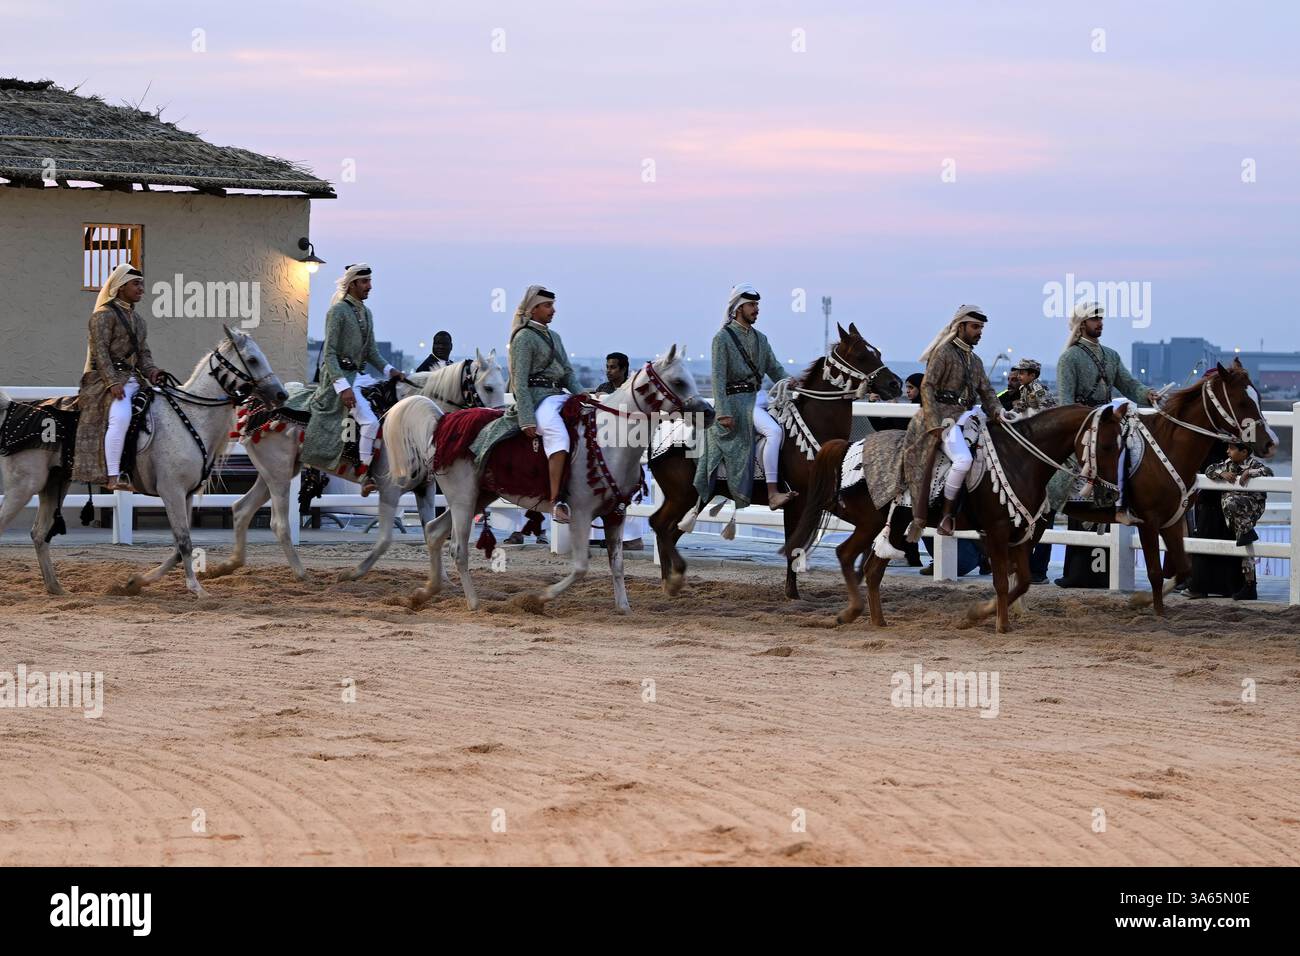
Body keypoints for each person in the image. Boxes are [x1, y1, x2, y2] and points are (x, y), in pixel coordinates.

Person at [1052, 301, 1157, 588]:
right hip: (1082, 425)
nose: (1100, 323)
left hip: (1108, 421)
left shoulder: (1111, 355)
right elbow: (1064, 401)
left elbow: (1129, 385)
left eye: (1101, 319)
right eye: (1094, 319)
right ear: (1080, 324)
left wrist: (1149, 395)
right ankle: (1056, 500)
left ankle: (1129, 502)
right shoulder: (1069, 358)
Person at [470, 285, 586, 522]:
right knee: (558, 435)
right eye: (548, 306)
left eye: (553, 305)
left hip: (557, 394)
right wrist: (526, 418)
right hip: (536, 398)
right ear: (533, 309)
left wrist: (582, 396)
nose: (553, 310)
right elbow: (519, 382)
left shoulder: (555, 337)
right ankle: (556, 502)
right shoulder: (523, 338)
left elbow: (567, 373)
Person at [902, 305, 1010, 542]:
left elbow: (987, 392)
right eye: (975, 327)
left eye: (981, 327)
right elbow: (927, 386)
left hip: (968, 417)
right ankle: (947, 515)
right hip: (943, 419)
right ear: (960, 327)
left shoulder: (976, 360)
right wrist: (934, 423)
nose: (979, 332)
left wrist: (1000, 413)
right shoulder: (943, 353)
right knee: (964, 460)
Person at [301, 263, 401, 496]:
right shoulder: (337, 312)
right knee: (370, 422)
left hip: (360, 377)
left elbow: (371, 352)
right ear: (353, 284)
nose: (370, 286)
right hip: (341, 379)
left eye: (370, 281)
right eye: (365, 282)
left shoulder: (366, 313)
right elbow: (329, 353)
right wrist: (343, 388)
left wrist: (391, 370)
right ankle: (364, 474)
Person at [693, 283, 795, 511]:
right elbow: (718, 378)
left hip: (758, 397)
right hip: (737, 403)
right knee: (774, 431)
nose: (756, 309)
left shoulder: (762, 338)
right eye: (751, 304)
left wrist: (791, 380)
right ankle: (772, 494)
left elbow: (775, 369)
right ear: (739, 307)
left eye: (757, 304)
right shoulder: (722, 338)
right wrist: (723, 412)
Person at [72, 262, 168, 491]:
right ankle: (114, 476)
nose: (141, 288)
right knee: (121, 417)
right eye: (136, 284)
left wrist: (153, 371)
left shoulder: (139, 321)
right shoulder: (103, 316)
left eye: (142, 284)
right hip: (106, 382)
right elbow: (100, 352)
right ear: (121, 286)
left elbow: (143, 354)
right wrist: (112, 382)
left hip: (135, 380)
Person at [1197, 443, 1272, 601]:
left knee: (1230, 500)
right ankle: (1250, 585)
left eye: (1231, 449)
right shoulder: (1227, 464)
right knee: (1245, 543)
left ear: (1244, 452)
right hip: (1237, 514)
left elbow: (1268, 472)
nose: (1227, 451)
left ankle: (1245, 532)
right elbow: (1209, 470)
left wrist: (1250, 472)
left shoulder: (1254, 464)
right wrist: (1222, 473)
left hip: (1249, 508)